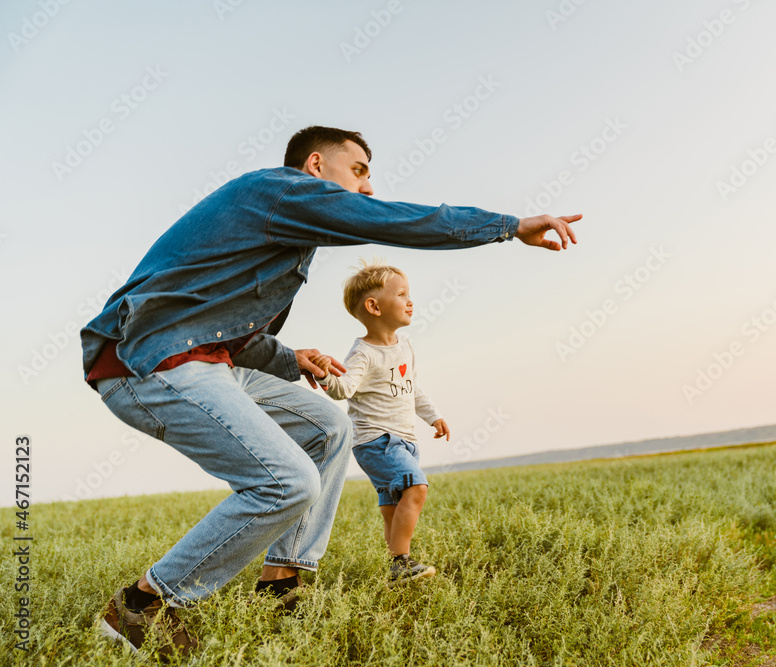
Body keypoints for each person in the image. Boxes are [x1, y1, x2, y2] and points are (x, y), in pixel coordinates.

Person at [81, 125, 580, 659]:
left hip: (206, 361)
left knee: (330, 428)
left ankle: (281, 584)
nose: (367, 187)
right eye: (359, 171)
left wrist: (289, 358)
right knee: (286, 483)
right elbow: (391, 219)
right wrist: (509, 226)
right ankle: (143, 605)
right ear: (316, 165)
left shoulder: (281, 227)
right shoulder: (278, 190)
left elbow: (226, 331)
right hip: (147, 363)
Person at [313, 260, 447, 587]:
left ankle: (395, 567)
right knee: (416, 488)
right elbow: (344, 389)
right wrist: (325, 373)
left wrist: (433, 416)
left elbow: (412, 387)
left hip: (405, 441)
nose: (410, 301)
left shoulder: (406, 346)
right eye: (401, 295)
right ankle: (401, 562)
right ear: (374, 307)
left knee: (393, 506)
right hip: (377, 441)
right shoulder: (363, 353)